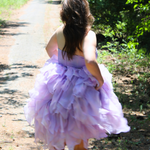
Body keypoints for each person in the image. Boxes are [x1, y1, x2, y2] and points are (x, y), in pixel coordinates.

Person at [24, 0, 130, 150]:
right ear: (84, 12)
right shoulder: (88, 34)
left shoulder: (60, 31)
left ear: (64, 13)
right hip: (81, 88)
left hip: (59, 85)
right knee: (78, 133)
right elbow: (89, 60)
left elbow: (49, 49)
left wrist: (62, 62)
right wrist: (99, 78)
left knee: (58, 130)